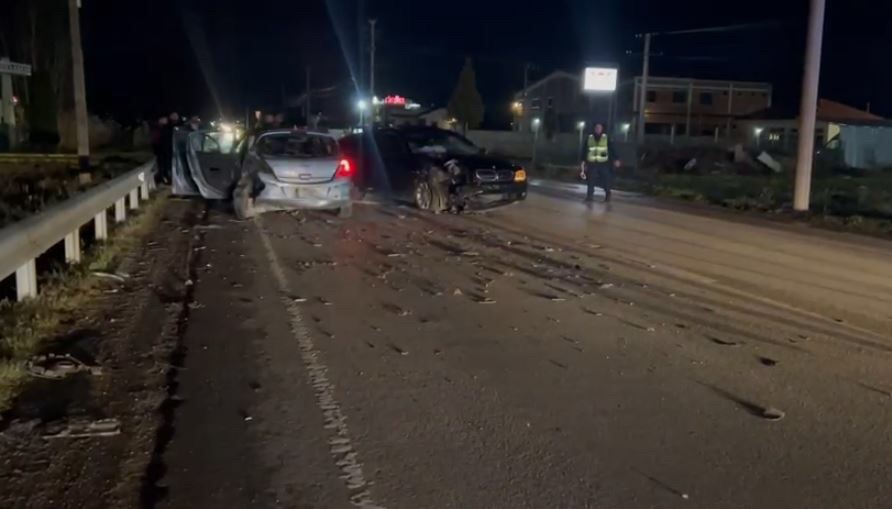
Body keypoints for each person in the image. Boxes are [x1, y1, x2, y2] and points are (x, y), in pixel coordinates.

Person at [579, 122, 620, 202]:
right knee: (591, 180)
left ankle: (608, 194)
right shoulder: (589, 138)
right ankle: (589, 196)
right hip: (592, 163)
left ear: (602, 129)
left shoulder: (606, 138)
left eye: (599, 128)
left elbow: (612, 149)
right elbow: (584, 150)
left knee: (605, 180)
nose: (598, 129)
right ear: (594, 129)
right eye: (596, 128)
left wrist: (617, 159)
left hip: (603, 163)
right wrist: (583, 161)